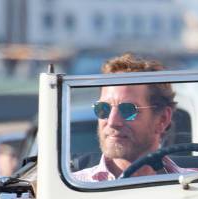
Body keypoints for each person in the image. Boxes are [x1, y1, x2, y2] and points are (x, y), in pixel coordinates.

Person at [73, 53, 178, 182]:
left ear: (162, 119)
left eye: (128, 110)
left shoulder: (195, 187)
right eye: (103, 108)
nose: (112, 122)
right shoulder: (71, 189)